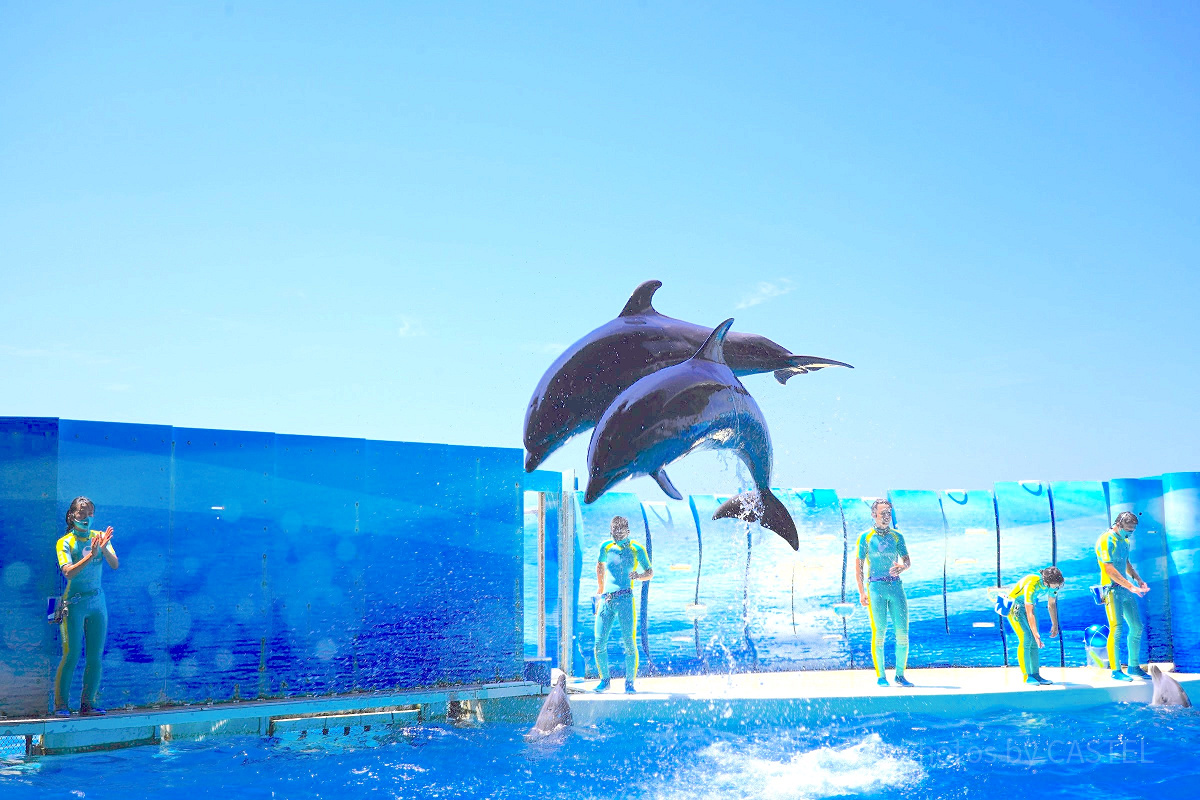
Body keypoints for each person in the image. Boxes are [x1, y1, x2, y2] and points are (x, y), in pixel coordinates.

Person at [53, 496, 119, 716]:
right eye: (82, 513)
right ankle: (61, 705)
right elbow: (68, 572)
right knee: (71, 654)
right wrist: (91, 555)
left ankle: (87, 704)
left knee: (95, 657)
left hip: (97, 603)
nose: (86, 517)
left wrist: (104, 548)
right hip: (75, 603)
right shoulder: (65, 542)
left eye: (90, 513)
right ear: (72, 515)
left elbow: (115, 564)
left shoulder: (99, 537)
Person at [855, 499, 912, 687]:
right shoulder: (866, 537)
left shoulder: (897, 537)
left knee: (902, 632)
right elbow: (859, 567)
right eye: (883, 513)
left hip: (896, 588)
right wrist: (862, 592)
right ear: (874, 515)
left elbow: (907, 561)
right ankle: (881, 676)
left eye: (889, 513)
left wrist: (902, 567)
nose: (886, 517)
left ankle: (900, 675)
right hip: (876, 588)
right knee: (879, 632)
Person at [593, 515, 652, 693]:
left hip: (626, 599)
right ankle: (604, 680)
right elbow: (599, 565)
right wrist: (600, 589)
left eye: (621, 532)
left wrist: (639, 576)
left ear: (628, 531)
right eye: (614, 533)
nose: (618, 536)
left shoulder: (636, 549)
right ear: (610, 531)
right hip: (606, 600)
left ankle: (629, 683)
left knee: (629, 642)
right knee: (599, 642)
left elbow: (649, 572)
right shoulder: (606, 546)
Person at [1096, 511, 1150, 681]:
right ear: (1118, 524)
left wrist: (1138, 580)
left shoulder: (1124, 541)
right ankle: (1116, 670)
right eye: (1127, 530)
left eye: (1132, 531)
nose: (1129, 534)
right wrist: (1130, 586)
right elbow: (1109, 568)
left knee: (1137, 626)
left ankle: (1133, 666)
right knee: (1117, 628)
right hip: (1111, 591)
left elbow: (1125, 563)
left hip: (1126, 590)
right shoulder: (1106, 540)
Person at [1006, 566, 1064, 685]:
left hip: (1029, 608)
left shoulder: (1054, 585)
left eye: (1059, 585)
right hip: (1014, 606)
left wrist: (1055, 624)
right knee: (1027, 638)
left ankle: (1035, 674)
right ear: (1046, 582)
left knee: (1034, 641)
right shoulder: (1033, 582)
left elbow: (1051, 604)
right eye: (1055, 585)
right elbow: (1029, 611)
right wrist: (1035, 632)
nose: (1057, 587)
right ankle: (1027, 676)